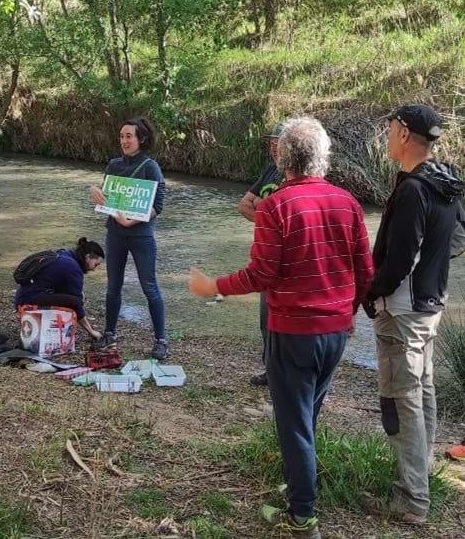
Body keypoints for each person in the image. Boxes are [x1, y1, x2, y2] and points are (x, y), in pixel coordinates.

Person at [188, 117, 374, 539]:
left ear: (283, 160)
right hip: (335, 332)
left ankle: (303, 515)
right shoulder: (348, 203)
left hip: (292, 331)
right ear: (323, 159)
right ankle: (299, 486)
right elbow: (365, 272)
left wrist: (211, 286)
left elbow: (262, 275)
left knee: (293, 423)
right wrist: (349, 316)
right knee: (308, 415)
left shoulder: (275, 206)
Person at [359, 104, 464, 524]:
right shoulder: (449, 181)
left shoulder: (413, 189)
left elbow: (400, 259)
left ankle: (411, 499)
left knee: (401, 401)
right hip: (429, 304)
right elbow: (457, 238)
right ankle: (419, 481)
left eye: (389, 128)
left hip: (401, 310)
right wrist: (432, 271)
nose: (386, 135)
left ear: (403, 133)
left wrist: (369, 293)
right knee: (422, 392)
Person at [89, 117, 168, 360]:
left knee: (149, 286)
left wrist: (131, 221)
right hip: (115, 233)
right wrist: (94, 193)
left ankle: (161, 340)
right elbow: (107, 198)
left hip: (141, 235)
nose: (124, 140)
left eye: (129, 136)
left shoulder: (150, 167)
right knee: (113, 287)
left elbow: (158, 206)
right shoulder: (113, 165)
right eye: (122, 136)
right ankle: (110, 334)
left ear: (141, 139)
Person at [238, 122, 285, 387]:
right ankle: (270, 370)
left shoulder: (295, 175)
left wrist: (263, 209)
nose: (272, 146)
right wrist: (268, 221)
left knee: (284, 315)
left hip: (286, 257)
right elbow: (243, 205)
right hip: (266, 255)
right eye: (270, 141)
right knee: (265, 315)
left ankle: (285, 373)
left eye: (277, 141)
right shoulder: (270, 170)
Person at [15, 238, 105, 340]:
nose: (94, 269)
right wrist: (91, 331)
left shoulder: (65, 254)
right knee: (75, 301)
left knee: (77, 297)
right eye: (96, 264)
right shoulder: (73, 268)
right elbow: (77, 304)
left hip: (24, 295)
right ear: (88, 257)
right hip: (29, 299)